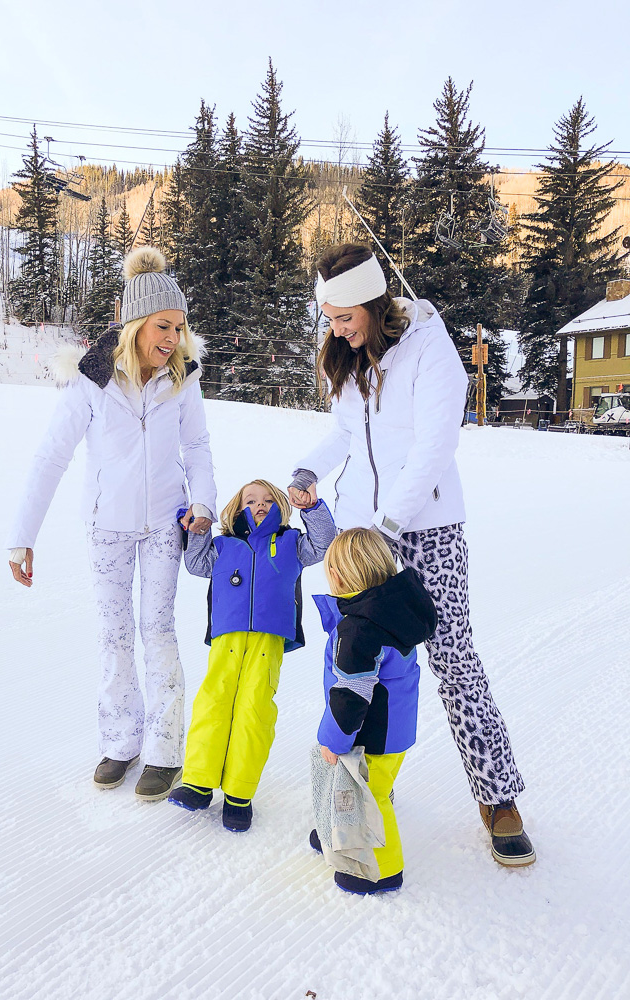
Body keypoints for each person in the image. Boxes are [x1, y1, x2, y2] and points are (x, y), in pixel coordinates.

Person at [290, 243, 535, 866]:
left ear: (374, 301)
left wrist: (388, 525)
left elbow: (433, 447)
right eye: (330, 318)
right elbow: (347, 433)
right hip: (360, 536)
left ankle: (498, 796)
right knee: (353, 665)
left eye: (345, 316)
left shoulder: (431, 347)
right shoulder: (346, 360)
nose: (336, 329)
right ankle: (354, 792)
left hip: (427, 531)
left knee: (452, 659)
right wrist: (307, 469)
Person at [6, 247, 217, 802]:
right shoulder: (93, 378)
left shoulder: (183, 378)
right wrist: (21, 537)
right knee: (114, 634)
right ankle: (121, 741)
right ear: (135, 323)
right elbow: (52, 455)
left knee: (157, 630)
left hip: (166, 525)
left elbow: (196, 446)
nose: (172, 338)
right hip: (107, 528)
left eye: (179, 327)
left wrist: (205, 503)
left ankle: (165, 750)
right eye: (162, 326)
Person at [168, 479, 336, 831]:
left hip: (268, 639)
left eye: (267, 499)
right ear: (237, 507)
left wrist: (312, 508)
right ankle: (198, 781)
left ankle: (239, 794)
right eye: (251, 499)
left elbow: (323, 543)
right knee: (214, 701)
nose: (259, 504)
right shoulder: (224, 544)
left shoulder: (291, 543)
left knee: (253, 709)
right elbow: (196, 564)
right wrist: (198, 527)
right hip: (227, 634)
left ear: (279, 504)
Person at [309, 527, 437, 895]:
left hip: (371, 734)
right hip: (396, 729)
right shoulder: (391, 609)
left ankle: (382, 871)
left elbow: (352, 693)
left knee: (371, 798)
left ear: (337, 576)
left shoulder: (360, 629)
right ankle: (334, 829)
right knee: (359, 786)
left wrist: (334, 738)